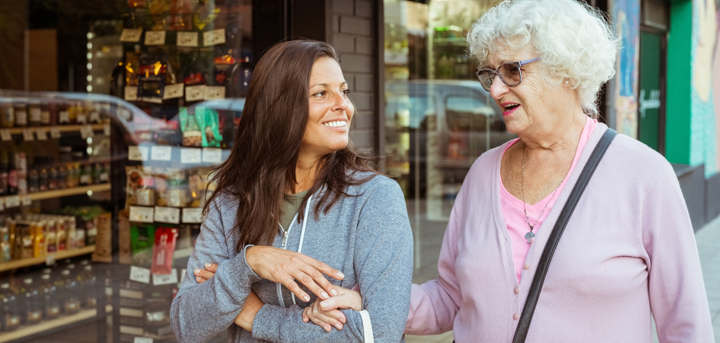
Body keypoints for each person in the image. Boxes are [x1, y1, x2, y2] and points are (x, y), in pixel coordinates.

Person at [198, 0, 716, 341]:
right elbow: (448, 299)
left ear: (566, 70)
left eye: (512, 70)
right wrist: (369, 301)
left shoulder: (643, 176)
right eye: (489, 73)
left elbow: (686, 326)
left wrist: (257, 314)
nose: (494, 89)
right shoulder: (483, 174)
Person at [170, 40, 414, 343]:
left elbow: (380, 332)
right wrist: (248, 264)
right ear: (279, 106)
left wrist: (256, 315)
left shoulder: (375, 198)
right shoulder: (231, 203)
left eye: (344, 91)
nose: (344, 105)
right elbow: (186, 325)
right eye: (321, 93)